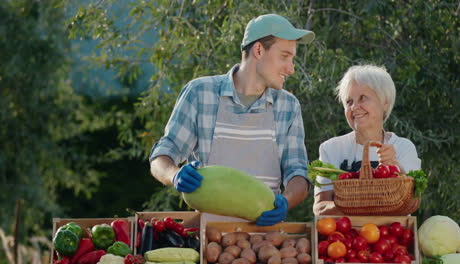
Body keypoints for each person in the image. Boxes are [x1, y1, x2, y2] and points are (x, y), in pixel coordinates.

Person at [149, 14, 315, 226]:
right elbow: (162, 156)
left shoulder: (288, 106)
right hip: (208, 237)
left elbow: (298, 172)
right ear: (258, 50)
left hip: (266, 238)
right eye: (285, 56)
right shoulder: (200, 93)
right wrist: (174, 175)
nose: (291, 69)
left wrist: (286, 200)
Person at [313, 64, 422, 215]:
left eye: (362, 98)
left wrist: (395, 166)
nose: (354, 107)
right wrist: (358, 205)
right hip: (344, 237)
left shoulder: (403, 147)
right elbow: (320, 208)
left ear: (385, 102)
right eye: (349, 102)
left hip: (391, 236)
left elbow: (411, 201)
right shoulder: (331, 149)